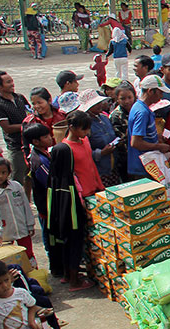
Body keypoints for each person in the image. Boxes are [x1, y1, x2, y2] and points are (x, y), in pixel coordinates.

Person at [46, 138, 89, 290]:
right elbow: (76, 202)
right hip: (72, 222)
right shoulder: (69, 180)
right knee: (74, 249)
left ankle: (66, 275)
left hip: (58, 222)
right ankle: (74, 281)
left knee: (64, 247)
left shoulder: (53, 177)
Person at [0, 157, 35, 262]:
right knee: (9, 258)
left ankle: (32, 275)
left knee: (28, 256)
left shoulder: (16, 186)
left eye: (4, 172)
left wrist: (30, 224)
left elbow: (25, 206)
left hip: (22, 228)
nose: (0, 176)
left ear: (9, 173)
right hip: (4, 233)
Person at [126, 75, 170, 180]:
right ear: (151, 91)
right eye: (160, 92)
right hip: (144, 166)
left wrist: (156, 136)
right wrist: (159, 146)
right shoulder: (142, 112)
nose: (161, 96)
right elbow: (135, 142)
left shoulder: (141, 108)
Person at [23, 124, 55, 274]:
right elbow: (50, 182)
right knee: (50, 235)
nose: (50, 138)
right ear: (36, 141)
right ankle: (55, 264)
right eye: (46, 136)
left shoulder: (43, 153)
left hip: (48, 202)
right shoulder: (39, 161)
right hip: (46, 204)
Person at [0, 71, 31, 190]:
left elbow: (29, 112)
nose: (12, 84)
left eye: (11, 81)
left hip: (29, 143)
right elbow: (7, 128)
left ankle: (27, 201)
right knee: (17, 178)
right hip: (16, 147)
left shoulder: (19, 97)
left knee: (30, 176)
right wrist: (26, 125)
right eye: (8, 82)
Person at [78, 90, 119, 187]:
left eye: (99, 102)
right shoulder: (85, 125)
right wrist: (101, 153)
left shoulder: (104, 118)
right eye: (96, 104)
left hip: (113, 166)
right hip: (99, 170)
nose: (100, 105)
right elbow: (82, 152)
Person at [22, 87, 65, 151]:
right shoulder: (29, 122)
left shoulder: (63, 116)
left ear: (49, 100)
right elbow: (26, 146)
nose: (36, 106)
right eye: (34, 104)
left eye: (39, 103)